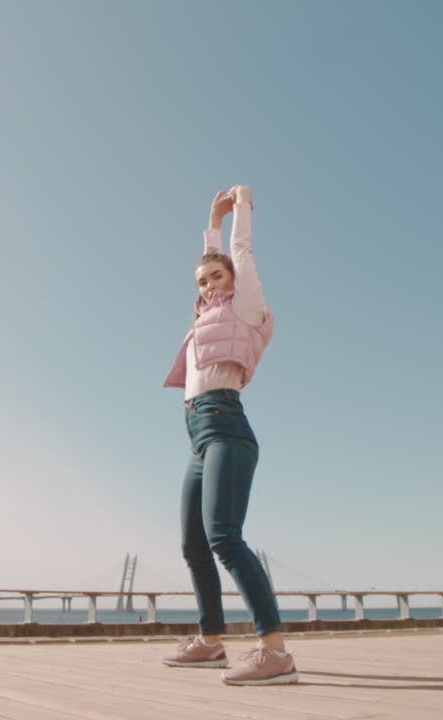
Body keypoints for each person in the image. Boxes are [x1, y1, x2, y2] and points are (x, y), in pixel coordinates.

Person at [159, 185, 298, 686]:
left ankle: (275, 652)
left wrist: (239, 209)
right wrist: (209, 227)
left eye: (216, 277)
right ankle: (211, 642)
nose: (207, 285)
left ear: (236, 281)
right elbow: (212, 264)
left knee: (224, 537)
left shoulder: (246, 308)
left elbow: (241, 254)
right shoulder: (206, 316)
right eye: (201, 281)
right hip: (197, 435)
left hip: (226, 426)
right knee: (193, 544)